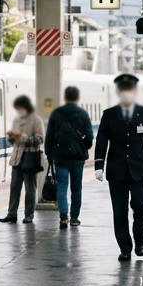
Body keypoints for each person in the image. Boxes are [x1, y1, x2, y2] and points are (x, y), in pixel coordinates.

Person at [93, 74, 143, 262]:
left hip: (139, 170)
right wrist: (99, 164)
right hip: (116, 172)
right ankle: (125, 247)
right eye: (122, 90)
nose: (126, 93)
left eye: (129, 90)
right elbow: (101, 140)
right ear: (118, 92)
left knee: (141, 206)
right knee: (119, 211)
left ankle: (139, 238)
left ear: (134, 91)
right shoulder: (109, 114)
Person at [44, 85, 94, 229]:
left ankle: (63, 217)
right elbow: (90, 137)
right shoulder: (83, 114)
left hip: (60, 158)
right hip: (77, 158)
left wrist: (49, 155)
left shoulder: (56, 114)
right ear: (78, 98)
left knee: (61, 187)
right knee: (76, 188)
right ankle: (74, 218)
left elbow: (49, 137)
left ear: (64, 98)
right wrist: (83, 147)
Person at [0, 94, 45, 224]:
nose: (19, 111)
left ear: (26, 107)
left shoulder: (36, 120)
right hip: (17, 158)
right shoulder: (17, 120)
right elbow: (13, 141)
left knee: (30, 188)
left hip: (30, 157)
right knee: (14, 187)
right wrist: (12, 138)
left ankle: (29, 214)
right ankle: (11, 213)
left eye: (20, 108)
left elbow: (40, 139)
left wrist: (22, 137)